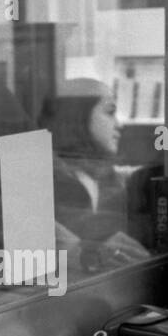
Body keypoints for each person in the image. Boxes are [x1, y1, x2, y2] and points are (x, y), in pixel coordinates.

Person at [41, 78, 151, 270]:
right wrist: (85, 251)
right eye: (110, 112)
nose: (119, 125)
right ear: (77, 117)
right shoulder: (36, 175)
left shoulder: (105, 176)